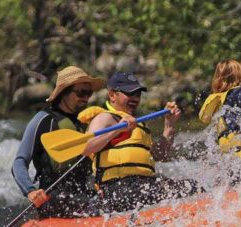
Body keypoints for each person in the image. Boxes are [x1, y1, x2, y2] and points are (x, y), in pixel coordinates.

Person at [79, 71, 200, 213]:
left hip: (143, 184)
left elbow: (160, 156)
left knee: (192, 186)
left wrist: (169, 126)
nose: (135, 98)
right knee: (180, 189)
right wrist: (117, 130)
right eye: (129, 93)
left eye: (138, 94)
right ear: (112, 95)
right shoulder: (105, 118)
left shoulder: (139, 124)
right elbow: (86, 148)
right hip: (116, 188)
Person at [11, 66, 103, 217]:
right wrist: (30, 191)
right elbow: (19, 162)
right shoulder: (43, 120)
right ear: (64, 93)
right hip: (54, 196)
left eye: (89, 93)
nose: (86, 97)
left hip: (85, 193)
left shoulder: (88, 123)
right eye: (81, 92)